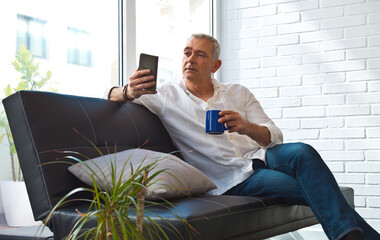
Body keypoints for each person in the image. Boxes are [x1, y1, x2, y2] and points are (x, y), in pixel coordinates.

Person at [108, 33, 379, 240]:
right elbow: (111, 95)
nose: (190, 59)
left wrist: (246, 127)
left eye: (200, 55)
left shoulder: (238, 92)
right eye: (187, 53)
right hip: (231, 176)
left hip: (262, 155)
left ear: (215, 64)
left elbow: (274, 136)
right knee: (311, 188)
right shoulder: (166, 95)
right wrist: (129, 92)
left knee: (302, 152)